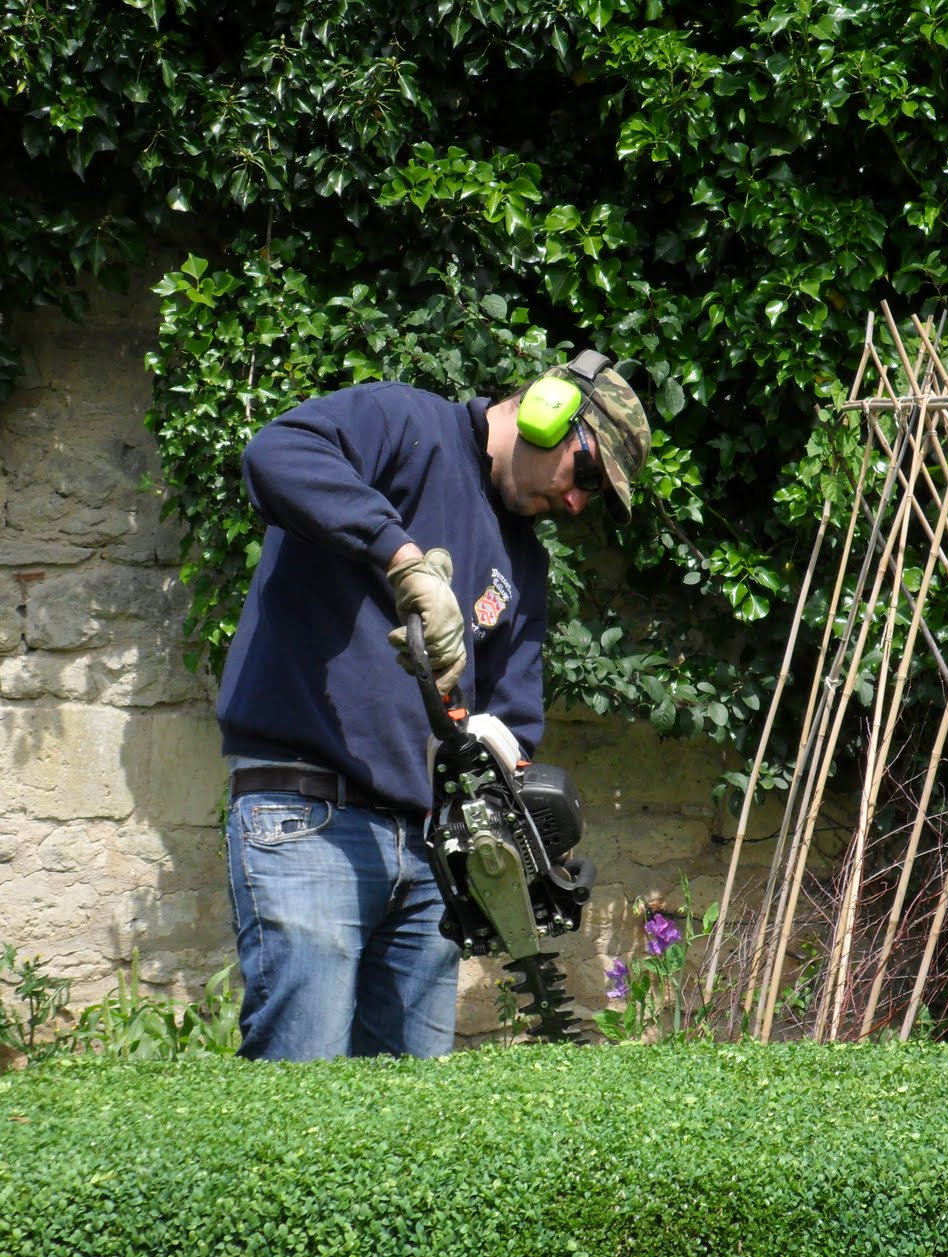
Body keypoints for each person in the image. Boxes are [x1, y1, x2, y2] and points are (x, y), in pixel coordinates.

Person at [217, 349, 652, 1061]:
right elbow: (276, 452)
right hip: (308, 818)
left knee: (411, 1120)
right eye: (588, 473)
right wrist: (401, 557)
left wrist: (513, 793)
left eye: (596, 496)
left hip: (426, 855)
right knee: (301, 1100)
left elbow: (512, 718)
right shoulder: (404, 422)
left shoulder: (525, 563)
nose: (578, 503)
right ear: (550, 411)